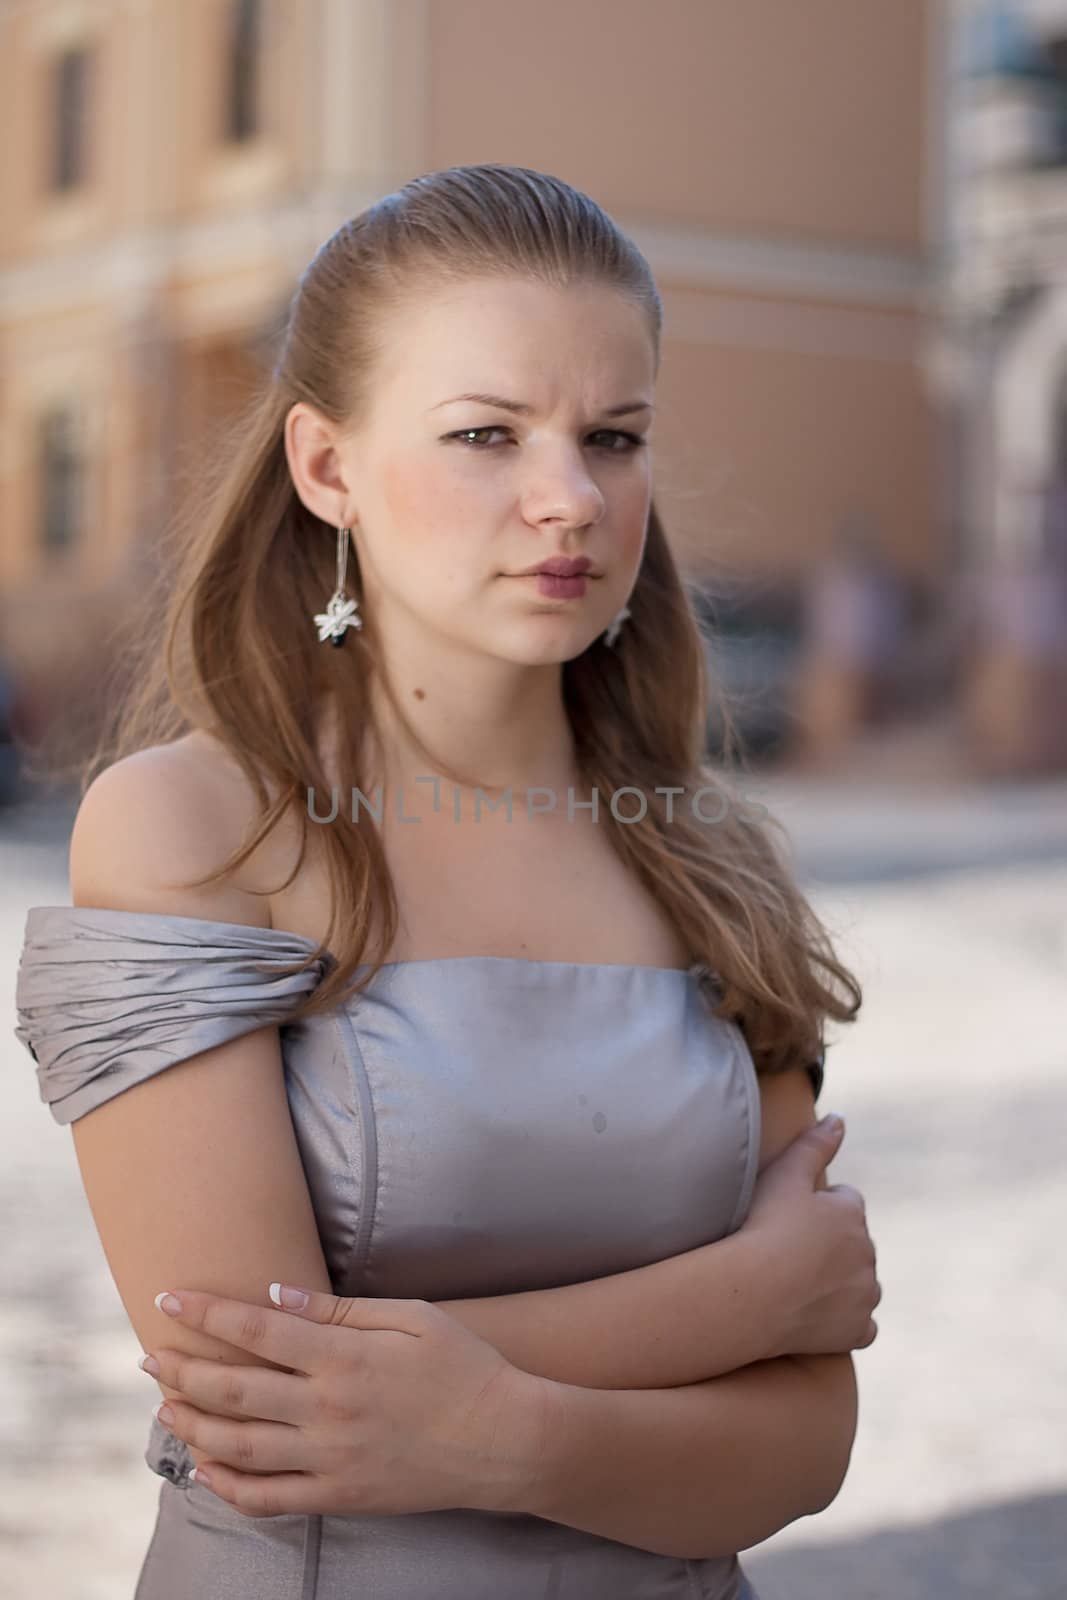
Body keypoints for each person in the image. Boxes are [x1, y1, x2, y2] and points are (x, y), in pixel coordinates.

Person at [13, 165, 880, 1600]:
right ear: (326, 467)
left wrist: (508, 1435)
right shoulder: (193, 830)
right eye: (487, 433)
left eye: (615, 436)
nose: (570, 499)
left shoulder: (708, 861)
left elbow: (807, 1443)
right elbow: (245, 1389)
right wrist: (749, 1297)